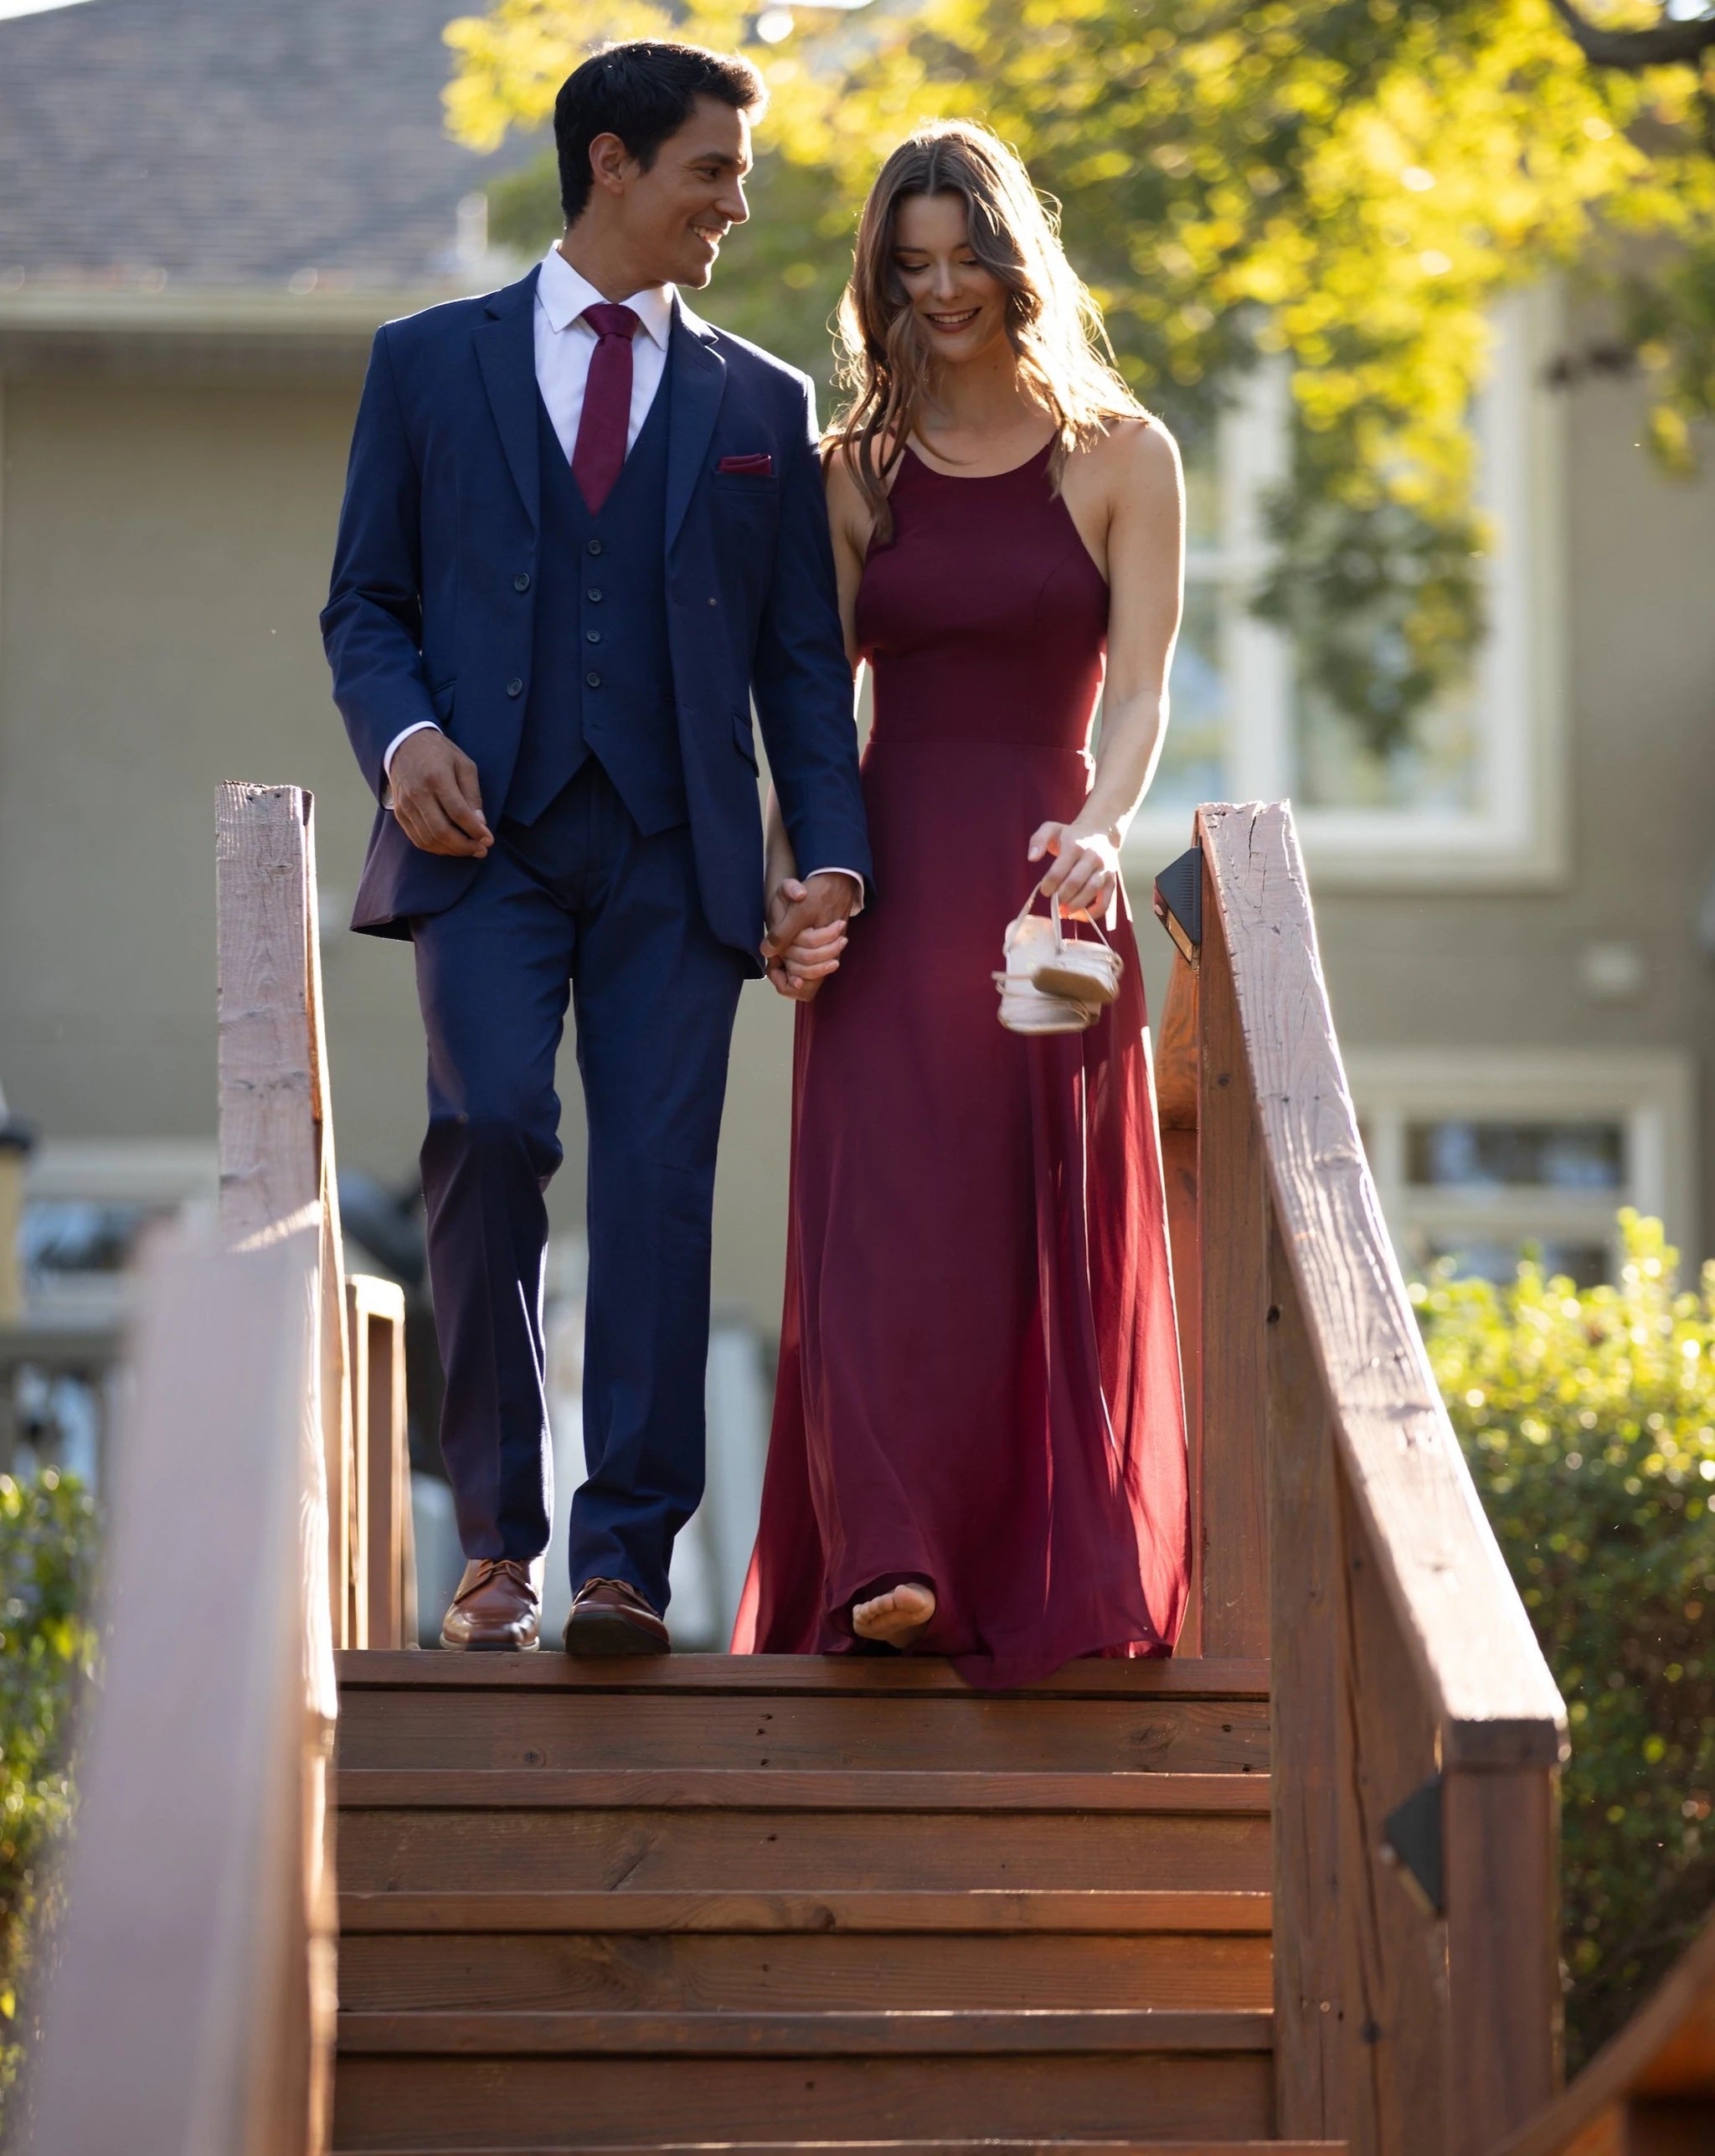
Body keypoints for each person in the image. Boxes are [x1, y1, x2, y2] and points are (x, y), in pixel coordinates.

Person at [322, 41, 870, 1655]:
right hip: (481, 840)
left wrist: (825, 853)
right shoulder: (428, 364)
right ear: (615, 164)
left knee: (655, 1190)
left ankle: (625, 1557)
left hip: (675, 853)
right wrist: (406, 738)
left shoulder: (764, 401)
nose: (737, 202)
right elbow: (367, 602)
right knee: (487, 1133)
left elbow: (798, 671)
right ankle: (497, 1546)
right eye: (713, 168)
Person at [733, 121, 1191, 1689]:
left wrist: (1105, 827)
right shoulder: (851, 475)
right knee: (884, 1226)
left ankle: (1038, 1558)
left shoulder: (1128, 457)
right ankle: (890, 1556)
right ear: (881, 278)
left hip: (1046, 883)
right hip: (897, 863)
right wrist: (798, 879)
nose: (942, 292)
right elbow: (811, 712)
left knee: (1032, 1228)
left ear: (1016, 260)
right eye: (909, 267)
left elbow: (1138, 699)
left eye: (964, 260)